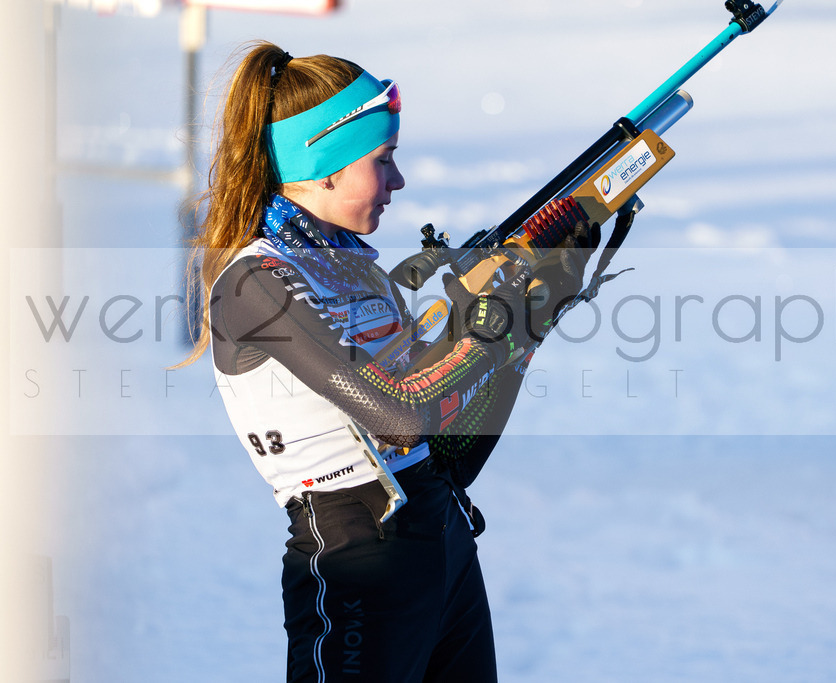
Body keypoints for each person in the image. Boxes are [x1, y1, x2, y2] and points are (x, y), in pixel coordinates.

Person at [179, 41, 599, 681]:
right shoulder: (255, 281)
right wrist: (487, 331)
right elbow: (399, 415)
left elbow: (449, 448)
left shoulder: (360, 270)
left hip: (441, 537)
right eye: (383, 160)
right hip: (356, 556)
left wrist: (532, 316)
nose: (398, 182)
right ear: (325, 165)